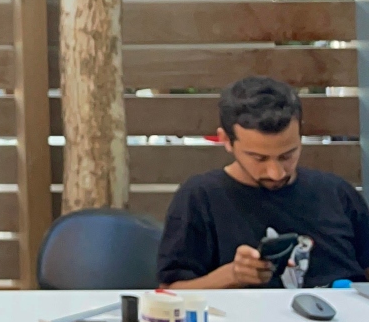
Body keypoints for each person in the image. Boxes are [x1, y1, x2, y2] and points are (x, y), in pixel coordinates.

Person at [157, 76, 369, 289]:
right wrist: (231, 275)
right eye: (259, 158)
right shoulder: (201, 197)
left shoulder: (336, 192)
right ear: (226, 141)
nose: (276, 173)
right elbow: (170, 293)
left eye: (288, 155)